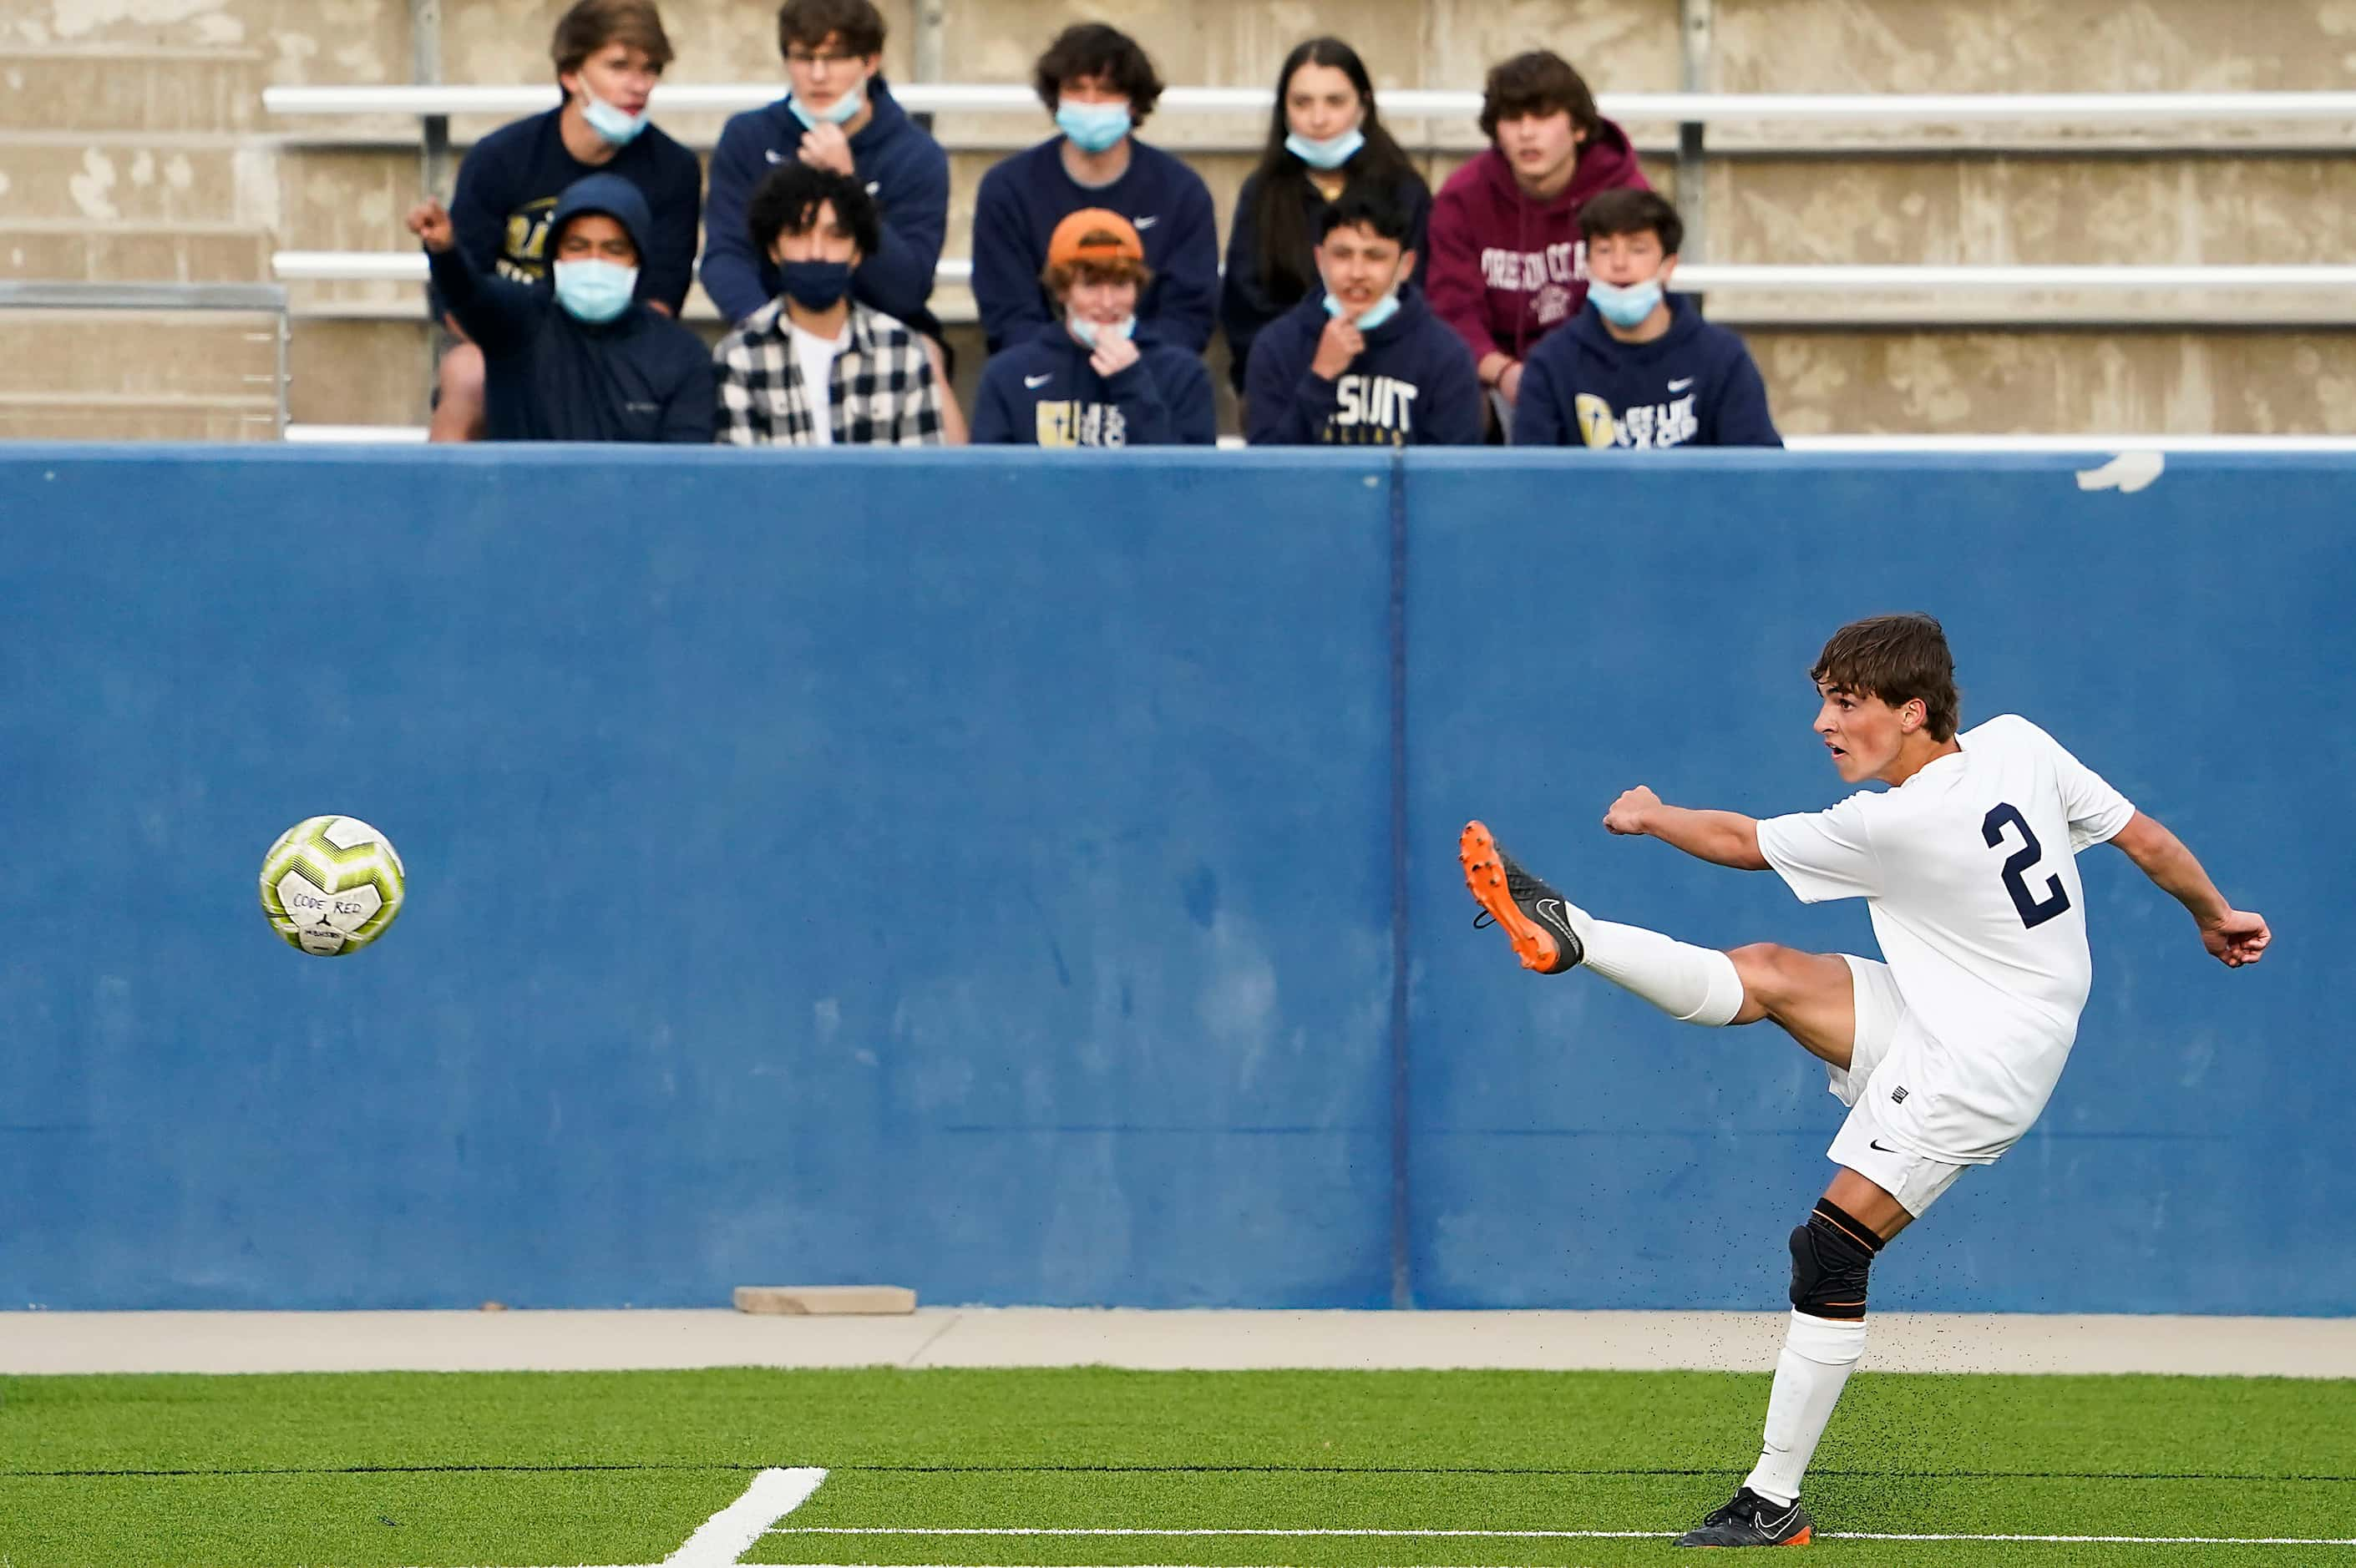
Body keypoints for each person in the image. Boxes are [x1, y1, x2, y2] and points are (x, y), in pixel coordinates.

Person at [1458, 613, 2270, 1549]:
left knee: (1829, 1252)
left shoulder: (1895, 820)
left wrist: (1648, 813)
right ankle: (1573, 931)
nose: (1822, 723)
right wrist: (2216, 915)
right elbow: (2150, 842)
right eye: (1822, 701)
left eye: (1845, 703)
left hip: (1979, 1061)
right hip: (1951, 1006)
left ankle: (1771, 1503)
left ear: (1912, 710)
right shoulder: (2020, 746)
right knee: (1767, 970)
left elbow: (1736, 841)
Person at [431, 0, 701, 443]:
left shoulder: (673, 169)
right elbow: (454, 297)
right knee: (466, 371)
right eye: (619, 66)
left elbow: (661, 299)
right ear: (571, 75)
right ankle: (439, 509)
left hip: (621, 345)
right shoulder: (499, 158)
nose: (639, 85)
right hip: (510, 344)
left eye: (650, 70)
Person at [1423, 50, 1648, 437]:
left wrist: (1555, 373)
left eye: (1542, 117)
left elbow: (1637, 297)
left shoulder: (1624, 193)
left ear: (1578, 127)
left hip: (1597, 367)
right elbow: (1452, 310)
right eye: (1512, 119)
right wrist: (1502, 371)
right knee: (1452, 392)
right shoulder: (1462, 198)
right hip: (1495, 376)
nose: (1527, 133)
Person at [700, 0, 950, 341]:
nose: (818, 75)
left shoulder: (916, 154)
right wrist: (768, 330)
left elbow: (907, 290)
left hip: (884, 335)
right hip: (767, 327)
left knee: (929, 358)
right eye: (804, 58)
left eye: (835, 58)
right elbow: (726, 256)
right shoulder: (748, 137)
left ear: (870, 63)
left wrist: (849, 185)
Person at [969, 23, 1219, 356]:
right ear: (1056, 96)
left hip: (1151, 374)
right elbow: (1008, 314)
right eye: (1077, 88)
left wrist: (1128, 363)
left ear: (1133, 102)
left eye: (1107, 90)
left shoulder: (1182, 192)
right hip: (1041, 377)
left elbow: (1188, 318)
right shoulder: (1007, 189)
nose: (1091, 102)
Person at [407, 174, 713, 443]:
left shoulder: (681, 354)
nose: (595, 261)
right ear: (555, 255)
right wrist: (445, 251)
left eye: (614, 249)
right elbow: (469, 293)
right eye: (578, 247)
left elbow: (683, 469)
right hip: (523, 503)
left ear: (638, 260)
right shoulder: (517, 321)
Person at [1219, 37, 1431, 397]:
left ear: (1363, 106)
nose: (1318, 119)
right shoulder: (1263, 193)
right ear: (1284, 112)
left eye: (1335, 102)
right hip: (1287, 376)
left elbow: (1420, 297)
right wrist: (1316, 359)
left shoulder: (1404, 189)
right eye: (1302, 103)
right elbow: (1245, 308)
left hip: (1392, 381)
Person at [1514, 190, 1781, 449]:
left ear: (1668, 266)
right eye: (1604, 250)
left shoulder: (1723, 358)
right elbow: (1532, 478)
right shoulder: (1550, 363)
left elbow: (1759, 470)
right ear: (1588, 265)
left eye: (1637, 250)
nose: (1619, 264)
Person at [713, 163, 945, 446]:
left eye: (835, 236)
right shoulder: (740, 355)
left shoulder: (903, 351)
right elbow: (740, 480)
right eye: (799, 235)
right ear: (774, 250)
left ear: (858, 252)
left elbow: (920, 479)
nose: (817, 252)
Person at [1244, 190, 1479, 447]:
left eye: (1375, 257)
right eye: (1343, 255)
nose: (1357, 273)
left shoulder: (1446, 356)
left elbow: (1452, 477)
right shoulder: (1277, 347)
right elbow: (1267, 473)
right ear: (1320, 260)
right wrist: (1320, 377)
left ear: (1406, 266)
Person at [970, 210, 1213, 447]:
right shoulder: (1008, 375)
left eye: (1120, 285)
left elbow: (1190, 480)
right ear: (1062, 290)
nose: (1107, 303)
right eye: (1091, 286)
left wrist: (1132, 383)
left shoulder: (1182, 374)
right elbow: (989, 478)